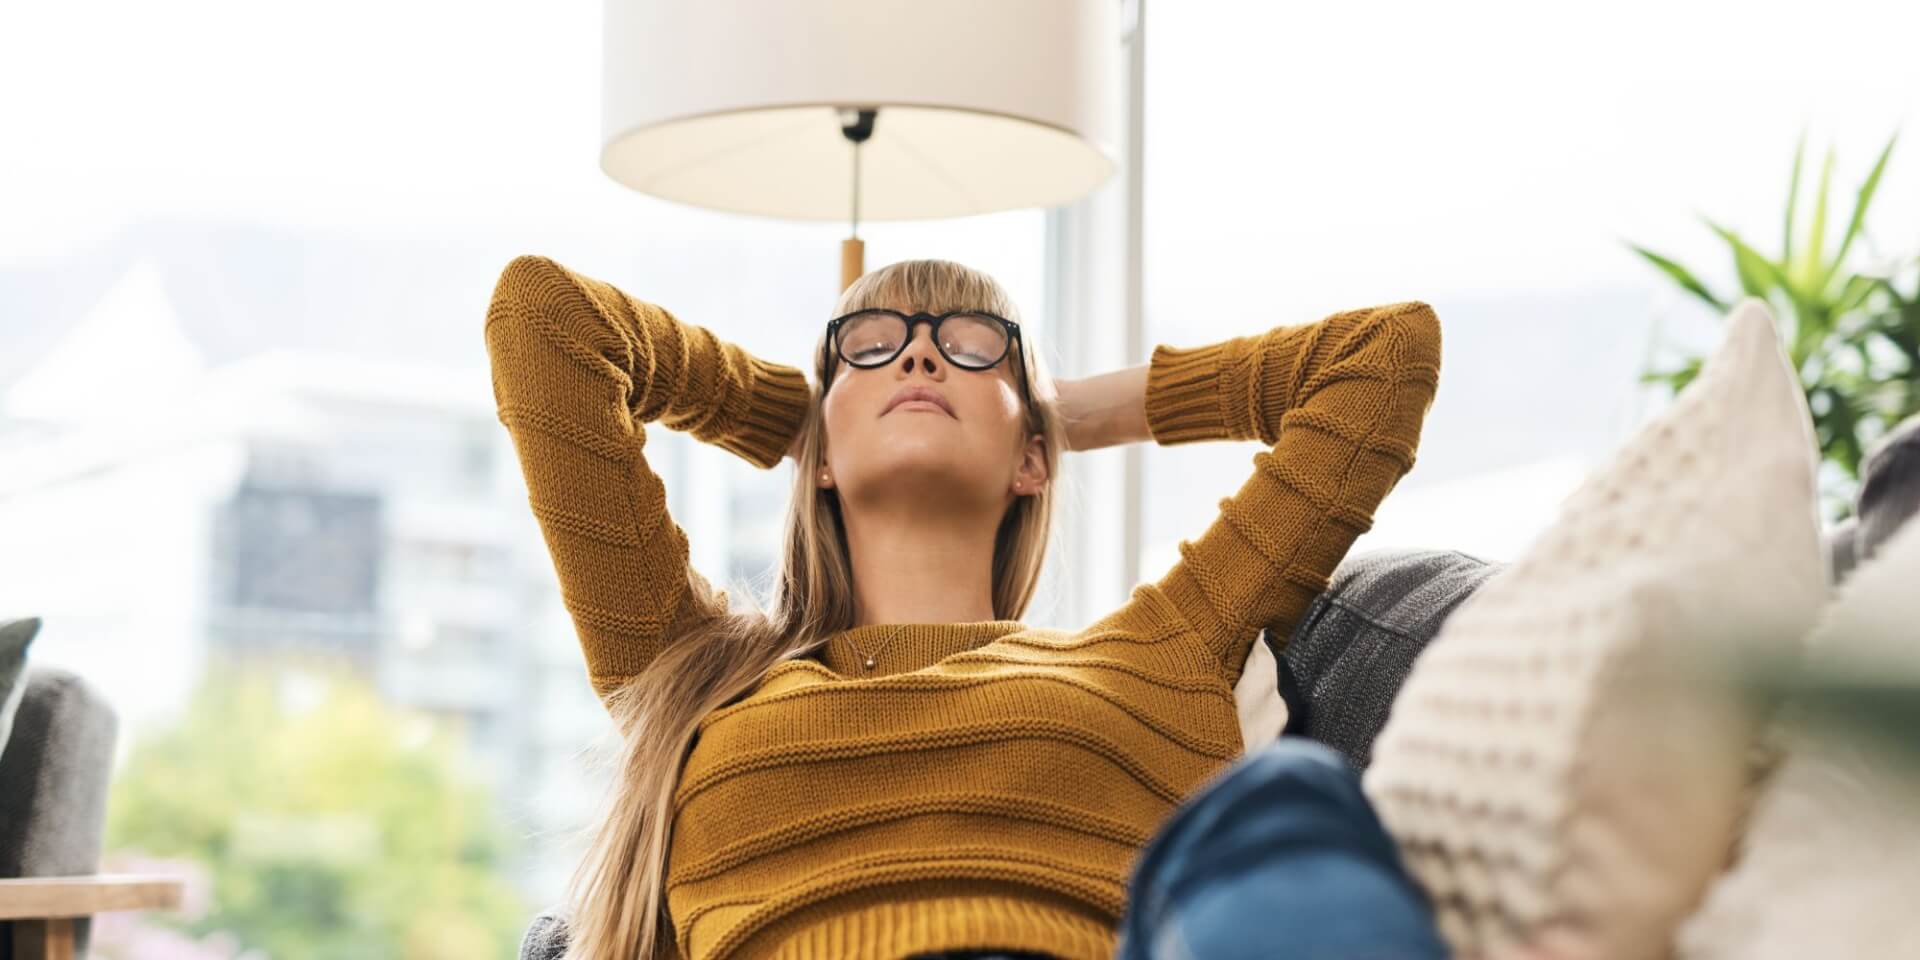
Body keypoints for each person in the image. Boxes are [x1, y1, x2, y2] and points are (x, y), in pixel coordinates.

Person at [485, 255, 1444, 960]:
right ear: (817, 453)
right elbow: (543, 318)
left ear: (1033, 458)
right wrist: (796, 415)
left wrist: (1069, 415)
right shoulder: (689, 667)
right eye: (872, 345)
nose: (919, 359)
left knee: (1291, 801)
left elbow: (1385, 356)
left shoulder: (1164, 649)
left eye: (972, 345)